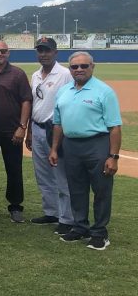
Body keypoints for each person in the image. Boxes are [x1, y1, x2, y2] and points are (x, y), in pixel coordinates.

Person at [50, 52, 122, 250]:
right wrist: (54, 148)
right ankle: (80, 226)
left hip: (97, 144)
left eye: (84, 66)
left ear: (92, 66)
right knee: (76, 188)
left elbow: (114, 126)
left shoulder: (104, 91)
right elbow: (58, 124)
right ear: (70, 69)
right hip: (71, 145)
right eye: (74, 67)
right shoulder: (64, 91)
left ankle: (99, 232)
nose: (79, 69)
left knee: (101, 190)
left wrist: (113, 156)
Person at [25, 37, 74, 235]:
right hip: (36, 128)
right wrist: (29, 130)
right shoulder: (36, 75)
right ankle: (51, 212)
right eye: (40, 50)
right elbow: (34, 104)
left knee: (61, 175)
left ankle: (67, 218)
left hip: (56, 130)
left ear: (55, 53)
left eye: (47, 50)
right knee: (43, 175)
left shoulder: (65, 74)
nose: (43, 54)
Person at [0, 41, 32, 223]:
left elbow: (26, 100)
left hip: (12, 132)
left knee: (14, 170)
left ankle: (15, 206)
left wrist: (22, 126)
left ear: (8, 53)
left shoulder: (17, 74)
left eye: (3, 51)